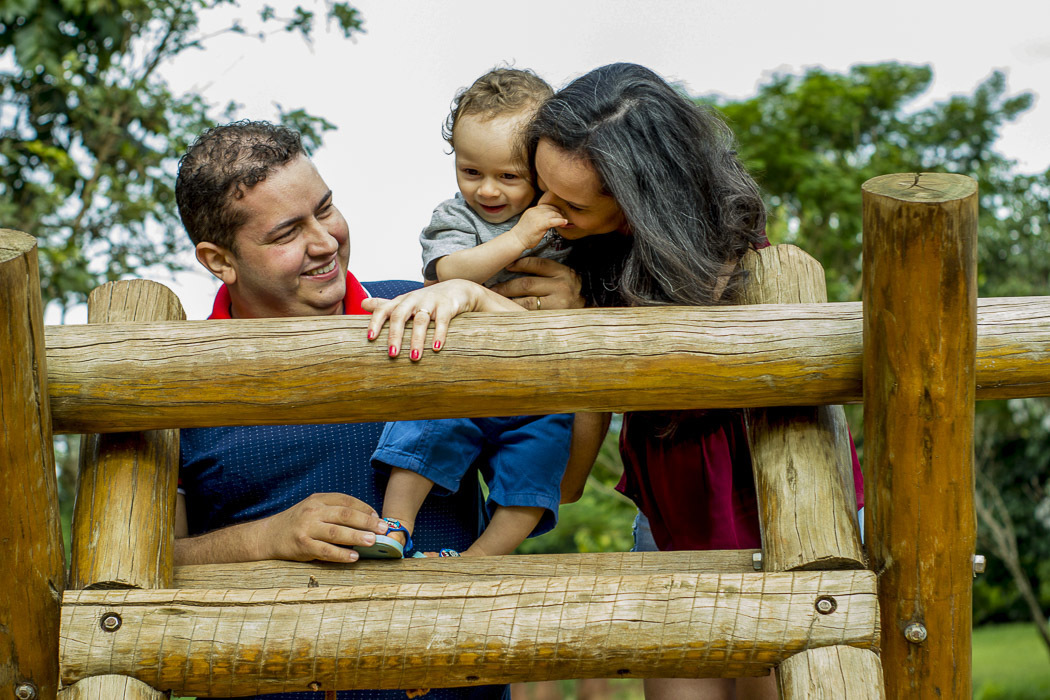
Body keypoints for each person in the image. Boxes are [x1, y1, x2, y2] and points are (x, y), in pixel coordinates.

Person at [366, 63, 864, 700]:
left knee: (791, 674)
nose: (545, 212)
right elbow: (569, 482)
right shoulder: (578, 253)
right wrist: (524, 318)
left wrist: (562, 321)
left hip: (778, 495)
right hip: (670, 511)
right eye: (540, 187)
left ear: (636, 203)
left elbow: (682, 369)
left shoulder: (733, 257)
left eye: (569, 205)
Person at [172, 119, 514, 700]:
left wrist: (488, 303)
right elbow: (140, 564)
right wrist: (266, 540)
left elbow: (569, 470)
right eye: (286, 233)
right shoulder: (171, 379)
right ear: (219, 260)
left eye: (325, 209)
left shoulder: (426, 311)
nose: (325, 241)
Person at [364, 68, 574, 560]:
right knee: (425, 430)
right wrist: (519, 238)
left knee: (535, 464)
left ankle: (481, 561)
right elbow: (450, 270)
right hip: (459, 372)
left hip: (535, 387)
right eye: (471, 172)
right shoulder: (456, 217)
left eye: (509, 176)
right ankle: (394, 526)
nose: (488, 191)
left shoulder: (562, 220)